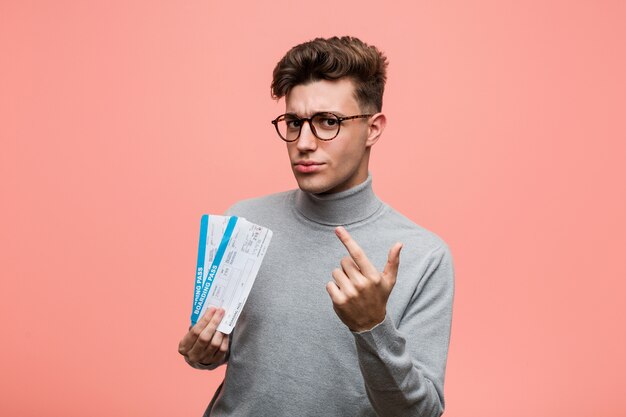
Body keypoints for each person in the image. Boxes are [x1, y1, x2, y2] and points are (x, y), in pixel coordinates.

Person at [178, 36, 455, 417]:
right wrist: (203, 353)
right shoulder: (244, 221)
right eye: (294, 122)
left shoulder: (424, 255)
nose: (304, 143)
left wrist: (373, 326)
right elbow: (218, 356)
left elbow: (420, 412)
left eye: (328, 122)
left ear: (373, 129)